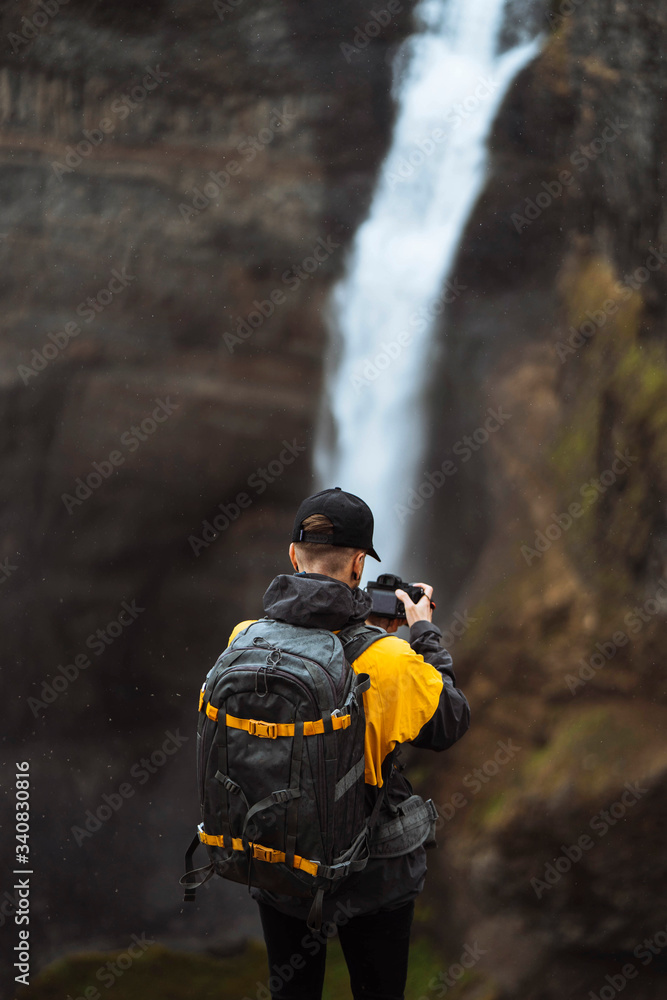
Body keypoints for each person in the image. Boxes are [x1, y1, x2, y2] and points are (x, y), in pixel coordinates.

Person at [227, 487, 470, 1000]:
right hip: (370, 873)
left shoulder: (243, 637)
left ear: (293, 555)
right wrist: (422, 633)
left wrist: (368, 632)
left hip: (279, 856)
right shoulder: (389, 661)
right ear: (359, 564)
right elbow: (451, 721)